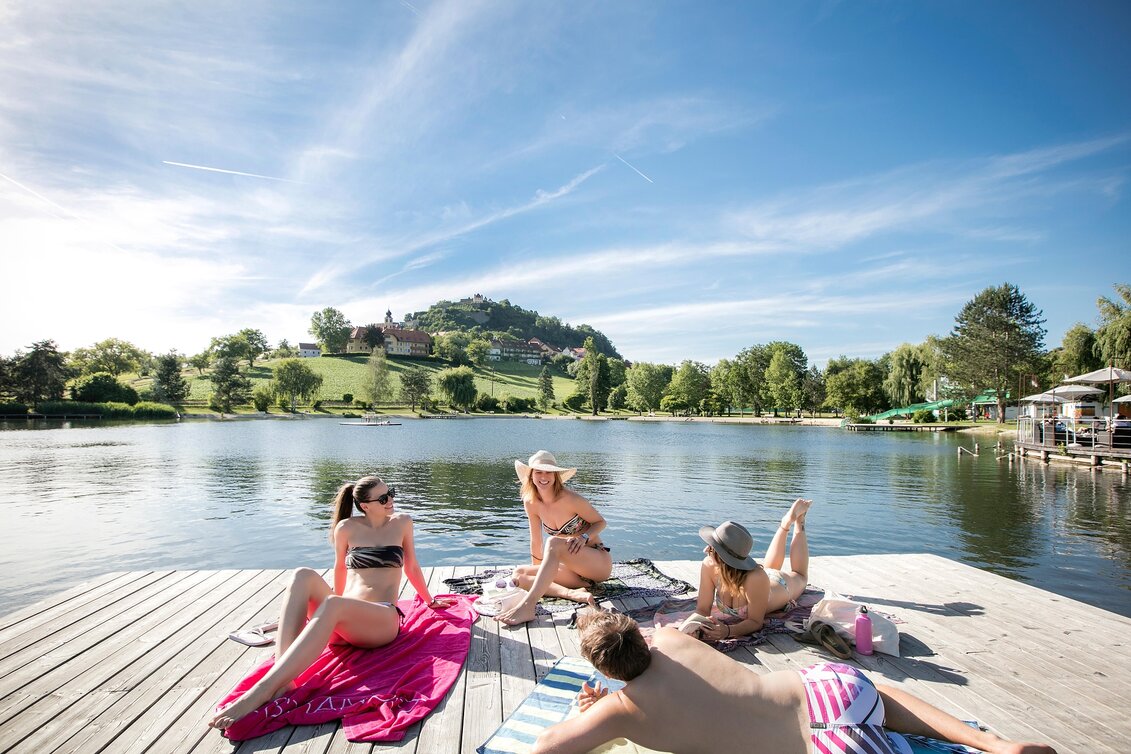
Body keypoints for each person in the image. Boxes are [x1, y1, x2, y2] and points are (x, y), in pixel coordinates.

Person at [531, 611, 1057, 754]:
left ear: (606, 670)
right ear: (642, 638)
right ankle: (992, 743)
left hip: (824, 747)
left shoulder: (624, 711)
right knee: (881, 696)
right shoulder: (669, 639)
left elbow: (545, 749)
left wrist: (587, 713)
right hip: (826, 687)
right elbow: (674, 634)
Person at [209, 475, 449, 731]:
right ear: (365, 505)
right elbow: (339, 570)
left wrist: (429, 600)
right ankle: (284, 679)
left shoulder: (402, 522)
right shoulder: (346, 527)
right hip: (344, 621)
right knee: (302, 575)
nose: (390, 500)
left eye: (390, 493)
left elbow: (411, 565)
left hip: (381, 621)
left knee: (335, 604)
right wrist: (331, 606)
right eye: (383, 498)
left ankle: (261, 690)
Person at [495, 450, 612, 626]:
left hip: (597, 564)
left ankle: (528, 606)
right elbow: (536, 541)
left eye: (548, 471)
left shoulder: (571, 499)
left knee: (553, 543)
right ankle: (573, 593)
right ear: (531, 475)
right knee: (519, 574)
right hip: (573, 572)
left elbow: (600, 522)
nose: (543, 476)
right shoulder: (531, 502)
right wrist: (540, 573)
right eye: (538, 471)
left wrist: (584, 537)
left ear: (556, 475)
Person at [694, 498, 811, 641]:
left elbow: (756, 622)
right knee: (768, 569)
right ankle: (785, 524)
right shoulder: (708, 565)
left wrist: (728, 631)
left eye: (712, 547)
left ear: (722, 558)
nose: (706, 550)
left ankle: (799, 521)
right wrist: (691, 626)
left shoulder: (756, 578)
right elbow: (702, 609)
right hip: (757, 579)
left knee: (800, 575)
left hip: (780, 585)